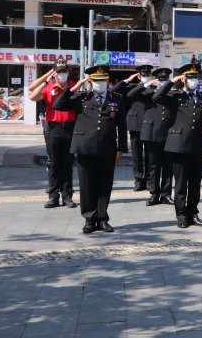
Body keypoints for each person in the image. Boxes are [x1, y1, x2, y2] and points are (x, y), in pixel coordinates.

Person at [53, 65, 128, 234]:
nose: (99, 83)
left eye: (102, 80)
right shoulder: (81, 96)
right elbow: (58, 105)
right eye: (96, 81)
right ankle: (89, 219)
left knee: (105, 185)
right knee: (87, 185)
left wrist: (121, 150)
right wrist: (75, 87)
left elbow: (122, 126)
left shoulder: (117, 98)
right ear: (90, 81)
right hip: (85, 148)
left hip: (108, 148)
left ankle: (102, 219)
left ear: (108, 81)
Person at [153, 63, 202, 229]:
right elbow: (156, 96)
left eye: (196, 77)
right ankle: (181, 216)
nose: (194, 80)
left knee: (195, 184)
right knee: (180, 185)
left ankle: (193, 213)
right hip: (179, 146)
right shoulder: (175, 96)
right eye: (191, 77)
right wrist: (173, 81)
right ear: (185, 78)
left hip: (198, 147)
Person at [28, 59, 77, 209]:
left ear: (68, 73)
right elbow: (32, 95)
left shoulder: (73, 86)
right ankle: (53, 196)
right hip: (53, 128)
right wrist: (48, 77)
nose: (62, 74)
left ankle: (67, 196)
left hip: (70, 127)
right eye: (59, 71)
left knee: (67, 164)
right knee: (54, 164)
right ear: (55, 73)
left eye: (64, 71)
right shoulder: (49, 87)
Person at [129, 67, 174, 206]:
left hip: (168, 132)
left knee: (168, 166)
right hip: (152, 132)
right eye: (160, 80)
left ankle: (166, 194)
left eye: (165, 80)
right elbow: (130, 95)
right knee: (153, 166)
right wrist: (146, 84)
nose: (162, 82)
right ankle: (154, 193)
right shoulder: (147, 92)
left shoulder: (173, 93)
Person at [113, 65, 153, 191]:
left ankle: (148, 179)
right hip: (135, 123)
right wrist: (128, 80)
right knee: (136, 154)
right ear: (139, 76)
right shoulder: (131, 87)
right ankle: (138, 179)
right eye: (143, 75)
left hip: (150, 123)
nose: (146, 77)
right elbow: (114, 89)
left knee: (149, 154)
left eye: (148, 75)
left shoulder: (154, 86)